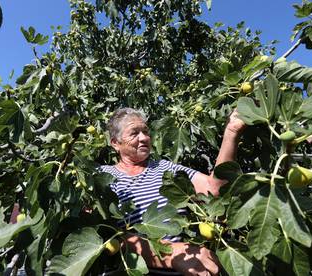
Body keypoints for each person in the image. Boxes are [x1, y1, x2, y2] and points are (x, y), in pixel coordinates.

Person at [100, 107, 246, 276]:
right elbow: (105, 235)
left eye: (146, 132)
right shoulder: (101, 176)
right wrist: (170, 253)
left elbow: (213, 190)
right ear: (115, 143)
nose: (144, 138)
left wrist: (231, 133)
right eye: (134, 133)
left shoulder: (165, 168)